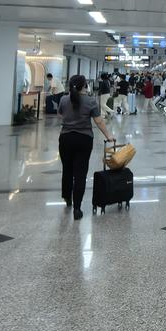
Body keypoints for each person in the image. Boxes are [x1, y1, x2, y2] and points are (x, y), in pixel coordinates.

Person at [59, 74, 115, 221]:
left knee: (67, 169)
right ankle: (77, 209)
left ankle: (67, 198)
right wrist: (108, 136)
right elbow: (99, 121)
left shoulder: (64, 99)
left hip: (65, 138)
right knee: (80, 174)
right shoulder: (90, 101)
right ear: (85, 85)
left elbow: (61, 115)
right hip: (84, 139)